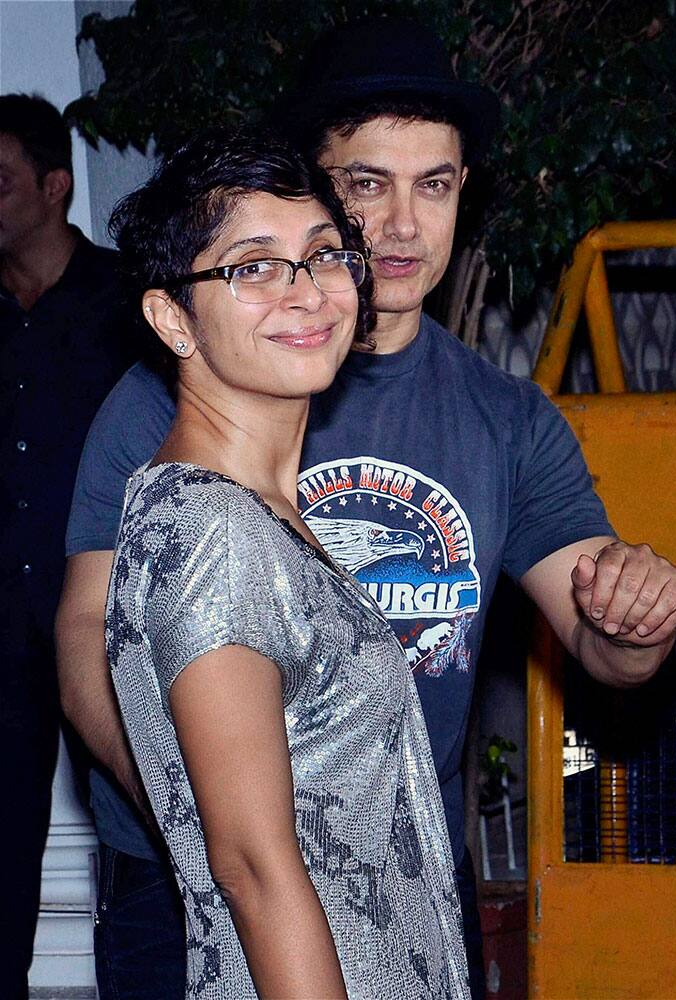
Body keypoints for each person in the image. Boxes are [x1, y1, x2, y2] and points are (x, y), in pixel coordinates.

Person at [56, 19, 676, 1000]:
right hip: (192, 892)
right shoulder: (182, 400)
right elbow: (89, 634)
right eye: (364, 185)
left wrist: (637, 613)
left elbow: (607, 643)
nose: (397, 227)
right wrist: (207, 810)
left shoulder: (501, 415)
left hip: (406, 869)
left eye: (431, 185)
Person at [104, 124, 470, 999]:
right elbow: (252, 868)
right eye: (253, 267)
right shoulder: (211, 530)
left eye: (324, 256)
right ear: (171, 319)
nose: (306, 293)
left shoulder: (264, 515)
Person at [0, 93, 142, 1000]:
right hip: (1, 627)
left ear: (56, 186)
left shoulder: (131, 305)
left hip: (106, 621)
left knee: (143, 821)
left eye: (0, 179)